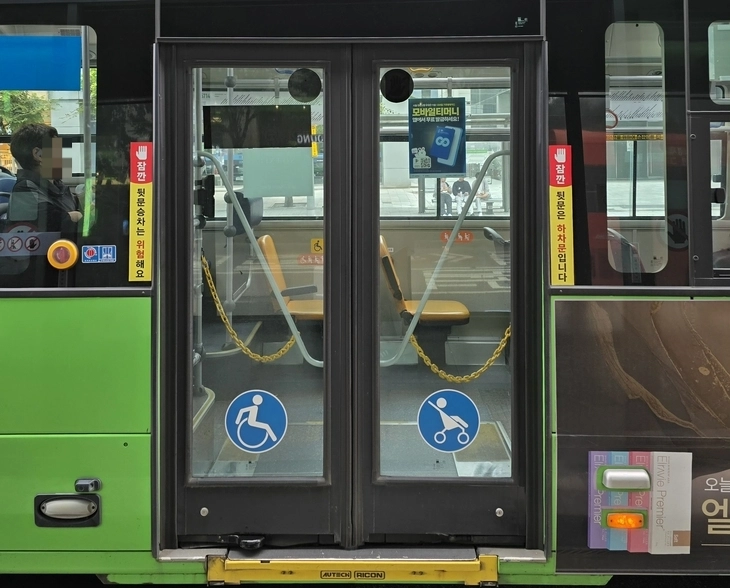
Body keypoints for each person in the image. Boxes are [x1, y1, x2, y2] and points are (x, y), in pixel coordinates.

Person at [8, 123, 82, 233]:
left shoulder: (56, 185)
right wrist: (75, 216)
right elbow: (60, 223)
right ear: (39, 155)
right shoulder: (24, 190)